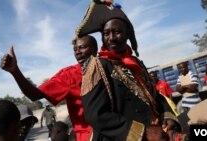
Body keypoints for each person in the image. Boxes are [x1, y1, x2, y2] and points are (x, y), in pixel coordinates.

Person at [75, 1, 180, 140]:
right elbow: (96, 115)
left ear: (127, 34)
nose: (111, 38)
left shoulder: (136, 63)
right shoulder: (97, 66)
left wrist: (168, 116)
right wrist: (143, 133)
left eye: (117, 32)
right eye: (106, 33)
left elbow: (153, 94)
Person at [0, 35, 98, 141]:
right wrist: (15, 71)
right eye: (75, 49)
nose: (77, 52)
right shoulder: (69, 76)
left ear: (95, 49)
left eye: (82, 47)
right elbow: (34, 94)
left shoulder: (109, 68)